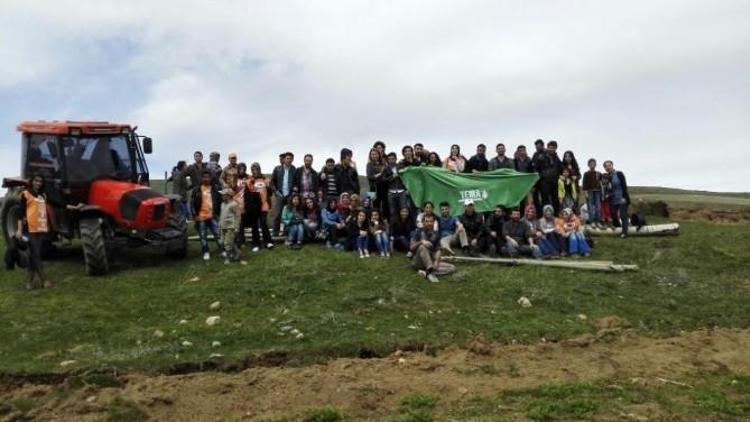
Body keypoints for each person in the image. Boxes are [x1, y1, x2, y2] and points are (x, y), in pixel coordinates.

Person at [16, 174, 52, 289]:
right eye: (36, 181)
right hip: (29, 229)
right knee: (36, 253)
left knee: (33, 254)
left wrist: (72, 207)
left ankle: (28, 282)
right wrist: (19, 230)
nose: (38, 183)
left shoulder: (43, 195)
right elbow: (20, 214)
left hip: (41, 229)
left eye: (40, 181)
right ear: (32, 181)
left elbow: (57, 204)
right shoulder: (25, 194)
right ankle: (44, 279)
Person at [410, 213, 455, 283]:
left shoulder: (436, 234)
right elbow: (411, 247)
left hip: (430, 260)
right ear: (423, 222)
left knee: (452, 268)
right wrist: (422, 242)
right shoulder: (417, 232)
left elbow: (439, 249)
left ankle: (426, 272)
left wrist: (436, 262)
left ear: (434, 222)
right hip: (418, 261)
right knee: (422, 247)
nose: (429, 223)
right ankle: (430, 270)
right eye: (427, 221)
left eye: (431, 221)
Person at [191, 170, 225, 261]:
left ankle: (223, 250)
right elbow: (192, 204)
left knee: (218, 234)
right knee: (203, 236)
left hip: (213, 216)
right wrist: (195, 215)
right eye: (204, 177)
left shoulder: (215, 188)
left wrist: (219, 214)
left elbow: (220, 201)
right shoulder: (196, 190)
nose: (206, 179)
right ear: (201, 178)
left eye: (208, 177)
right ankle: (206, 252)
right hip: (201, 217)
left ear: (210, 178)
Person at [245, 162, 274, 252]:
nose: (255, 171)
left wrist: (270, 188)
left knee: (263, 223)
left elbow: (270, 192)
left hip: (264, 205)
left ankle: (268, 242)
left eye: (256, 169)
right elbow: (247, 194)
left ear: (259, 169)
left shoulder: (265, 179)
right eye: (253, 170)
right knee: (254, 225)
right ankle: (256, 244)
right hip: (254, 206)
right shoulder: (249, 181)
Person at [531, 139, 559, 216]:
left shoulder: (556, 157)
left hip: (554, 182)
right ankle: (545, 217)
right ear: (547, 147)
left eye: (553, 148)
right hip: (544, 182)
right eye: (550, 147)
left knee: (555, 200)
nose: (551, 149)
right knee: (545, 201)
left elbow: (560, 168)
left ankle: (556, 216)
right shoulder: (540, 157)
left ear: (555, 148)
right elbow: (536, 169)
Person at [603, 160, 631, 238]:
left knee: (623, 215)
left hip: (621, 197)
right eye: (606, 166)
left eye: (609, 165)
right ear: (605, 168)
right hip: (613, 199)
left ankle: (624, 233)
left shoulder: (619, 174)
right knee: (613, 214)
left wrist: (624, 197)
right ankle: (618, 229)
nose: (608, 167)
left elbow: (624, 186)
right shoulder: (607, 176)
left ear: (612, 165)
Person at [270, 152, 295, 236]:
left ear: (292, 160)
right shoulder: (277, 169)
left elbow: (296, 182)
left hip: (289, 195)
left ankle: (285, 232)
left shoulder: (294, 169)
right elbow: (272, 182)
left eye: (291, 159)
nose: (289, 160)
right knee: (277, 214)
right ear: (284, 159)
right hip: (279, 194)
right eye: (287, 158)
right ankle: (275, 233)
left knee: (288, 215)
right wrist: (276, 191)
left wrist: (294, 189)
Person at [382, 151, 409, 223]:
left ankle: (405, 228)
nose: (391, 160)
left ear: (396, 159)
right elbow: (384, 180)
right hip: (391, 192)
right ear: (387, 160)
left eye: (393, 159)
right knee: (392, 211)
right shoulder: (386, 168)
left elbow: (406, 178)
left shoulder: (401, 166)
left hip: (401, 191)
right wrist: (392, 177)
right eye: (389, 159)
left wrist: (406, 189)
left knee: (404, 210)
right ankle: (393, 230)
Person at [219, 188, 241, 264]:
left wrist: (236, 227)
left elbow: (238, 216)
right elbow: (222, 215)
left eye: (223, 195)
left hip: (230, 226)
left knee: (227, 243)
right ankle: (237, 252)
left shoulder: (234, 204)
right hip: (223, 226)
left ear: (228, 196)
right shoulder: (222, 204)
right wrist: (220, 224)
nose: (222, 196)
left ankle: (228, 258)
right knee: (223, 241)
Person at [582, 158, 602, 227]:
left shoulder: (598, 173)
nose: (592, 165)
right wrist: (585, 193)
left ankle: (598, 221)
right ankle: (592, 222)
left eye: (593, 163)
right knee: (590, 207)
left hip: (597, 192)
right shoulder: (586, 173)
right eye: (591, 164)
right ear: (588, 165)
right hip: (589, 191)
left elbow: (602, 182)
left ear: (596, 164)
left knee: (598, 207)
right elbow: (584, 185)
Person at [365, 148, 386, 214]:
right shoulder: (369, 164)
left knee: (385, 205)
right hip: (373, 188)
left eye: (376, 154)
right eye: (372, 154)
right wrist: (380, 174)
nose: (374, 156)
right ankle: (375, 222)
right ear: (370, 155)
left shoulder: (383, 164)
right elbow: (370, 177)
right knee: (374, 206)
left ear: (379, 155)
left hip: (383, 187)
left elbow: (386, 175)